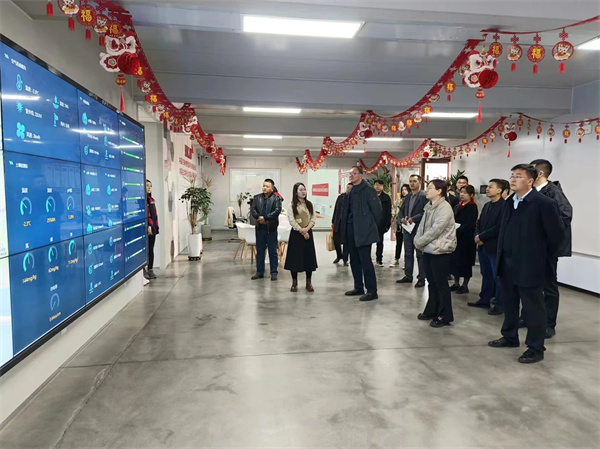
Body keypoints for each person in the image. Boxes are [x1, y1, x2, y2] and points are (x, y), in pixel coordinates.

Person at [488, 164, 563, 364]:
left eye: (519, 176)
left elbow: (556, 236)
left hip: (530, 264)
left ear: (530, 181)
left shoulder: (543, 203)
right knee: (510, 303)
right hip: (508, 262)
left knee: (533, 307)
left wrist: (540, 258)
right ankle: (510, 336)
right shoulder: (509, 202)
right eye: (512, 175)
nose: (513, 179)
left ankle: (535, 348)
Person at [530, 159, 573, 339]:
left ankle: (549, 323)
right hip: (530, 247)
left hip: (546, 249)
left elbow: (564, 216)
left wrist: (546, 236)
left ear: (540, 173)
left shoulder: (553, 192)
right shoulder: (531, 192)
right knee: (530, 285)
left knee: (548, 286)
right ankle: (529, 317)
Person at [414, 179, 457, 327]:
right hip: (428, 249)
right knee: (432, 283)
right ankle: (432, 309)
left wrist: (420, 242)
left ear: (439, 191)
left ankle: (444, 315)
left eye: (430, 188)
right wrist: (418, 240)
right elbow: (422, 227)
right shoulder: (429, 206)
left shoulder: (444, 208)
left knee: (441, 284)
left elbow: (436, 230)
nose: (427, 190)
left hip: (440, 250)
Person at [341, 166, 382, 302]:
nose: (351, 175)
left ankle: (372, 291)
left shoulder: (369, 190)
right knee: (354, 260)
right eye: (350, 173)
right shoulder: (352, 191)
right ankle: (358, 287)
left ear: (361, 175)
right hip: (351, 229)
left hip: (364, 231)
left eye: (354, 173)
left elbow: (377, 212)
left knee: (365, 261)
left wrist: (369, 226)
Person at [469, 179, 507, 314]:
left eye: (491, 187)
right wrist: (477, 235)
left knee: (498, 276)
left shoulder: (504, 206)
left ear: (499, 190)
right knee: (486, 274)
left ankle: (499, 304)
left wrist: (482, 236)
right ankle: (485, 299)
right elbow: (479, 223)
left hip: (494, 247)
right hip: (483, 246)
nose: (487, 189)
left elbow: (499, 227)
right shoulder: (487, 205)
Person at [284, 183, 318, 292]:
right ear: (295, 192)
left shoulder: (309, 204)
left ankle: (309, 282)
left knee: (308, 258)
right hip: (296, 234)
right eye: (300, 190)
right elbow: (292, 221)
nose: (303, 192)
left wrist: (307, 229)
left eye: (304, 189)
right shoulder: (291, 205)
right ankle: (294, 282)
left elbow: (313, 218)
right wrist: (301, 230)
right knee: (295, 258)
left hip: (308, 233)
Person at [396, 175, 427, 287]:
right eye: (410, 181)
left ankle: (421, 278)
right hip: (407, 229)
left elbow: (426, 212)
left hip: (418, 229)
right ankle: (408, 275)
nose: (412, 183)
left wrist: (414, 218)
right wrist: (401, 219)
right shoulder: (408, 196)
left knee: (420, 255)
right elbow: (401, 211)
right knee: (408, 253)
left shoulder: (423, 196)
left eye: (414, 181)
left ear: (420, 182)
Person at [250, 179, 282, 281]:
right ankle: (259, 272)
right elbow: (253, 210)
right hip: (260, 228)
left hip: (271, 228)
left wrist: (266, 218)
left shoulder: (276, 198)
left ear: (272, 188)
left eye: (267, 186)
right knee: (260, 251)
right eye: (264, 186)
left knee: (273, 252)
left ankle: (274, 272)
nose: (264, 188)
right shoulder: (257, 198)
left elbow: (277, 210)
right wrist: (259, 217)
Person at [450, 185, 478, 294]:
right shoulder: (458, 206)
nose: (462, 194)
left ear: (471, 195)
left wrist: (458, 230)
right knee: (455, 261)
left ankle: (465, 285)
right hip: (456, 237)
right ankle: (456, 283)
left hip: (466, 239)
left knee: (465, 262)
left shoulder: (472, 207)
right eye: (461, 192)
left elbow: (470, 224)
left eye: (465, 192)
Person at [390, 184, 410, 267]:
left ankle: (407, 262)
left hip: (407, 224)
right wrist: (393, 215)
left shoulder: (410, 200)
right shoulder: (399, 200)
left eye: (406, 189)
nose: (404, 191)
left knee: (407, 244)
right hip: (399, 224)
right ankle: (396, 259)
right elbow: (394, 207)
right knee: (398, 243)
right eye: (402, 190)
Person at [332, 183, 352, 266]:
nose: (348, 189)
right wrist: (333, 221)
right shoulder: (340, 197)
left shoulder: (353, 198)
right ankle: (339, 255)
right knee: (336, 240)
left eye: (350, 188)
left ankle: (345, 258)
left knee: (346, 242)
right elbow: (335, 209)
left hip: (346, 223)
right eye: (347, 188)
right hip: (338, 222)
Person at [373, 180, 392, 267]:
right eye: (376, 185)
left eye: (380, 185)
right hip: (371, 223)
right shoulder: (370, 196)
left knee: (380, 242)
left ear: (382, 187)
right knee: (368, 242)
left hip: (381, 223)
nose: (377, 187)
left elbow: (388, 212)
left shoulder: (386, 198)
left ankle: (379, 259)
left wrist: (387, 225)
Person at [144, 179, 159, 280]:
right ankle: (143, 270)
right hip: (146, 229)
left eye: (150, 186)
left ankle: (150, 269)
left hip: (152, 229)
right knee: (145, 250)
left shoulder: (151, 200)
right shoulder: (142, 201)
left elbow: (155, 216)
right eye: (147, 185)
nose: (149, 188)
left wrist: (155, 227)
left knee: (151, 249)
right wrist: (148, 225)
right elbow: (146, 215)